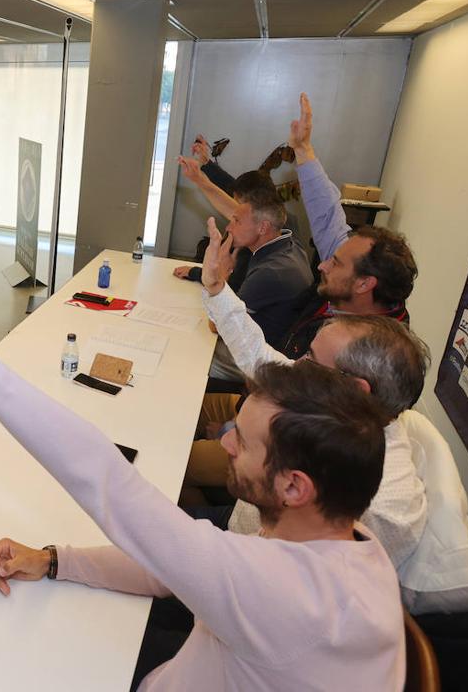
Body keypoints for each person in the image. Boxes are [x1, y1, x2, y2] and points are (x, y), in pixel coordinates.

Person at [0, 214, 403, 691]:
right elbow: (176, 567)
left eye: (244, 440)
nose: (225, 441)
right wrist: (55, 560)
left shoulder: (277, 593)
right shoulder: (346, 545)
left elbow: (103, 475)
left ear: (294, 486)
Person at [185, 216, 429, 574]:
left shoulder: (378, 508)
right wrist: (217, 288)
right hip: (242, 531)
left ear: (354, 389)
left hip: (241, 568)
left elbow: (284, 589)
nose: (298, 365)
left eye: (311, 360)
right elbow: (264, 359)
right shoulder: (344, 411)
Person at [278, 93, 418, 359]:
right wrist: (303, 149)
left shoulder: (362, 355)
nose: (322, 264)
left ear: (364, 283)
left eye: (336, 263)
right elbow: (329, 215)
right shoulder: (357, 287)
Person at [177, 164, 313, 381]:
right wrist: (201, 180)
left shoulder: (270, 272)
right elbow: (234, 209)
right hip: (267, 346)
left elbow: (217, 326)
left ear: (262, 227)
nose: (229, 227)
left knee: (181, 350)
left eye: (236, 221)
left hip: (259, 363)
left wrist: (223, 272)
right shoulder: (289, 239)